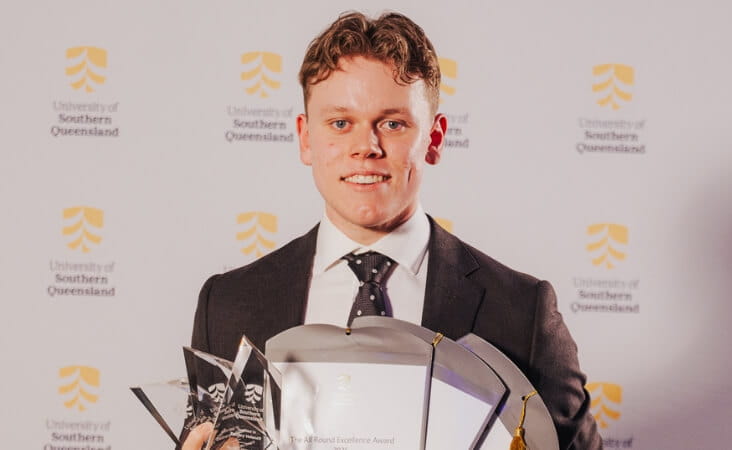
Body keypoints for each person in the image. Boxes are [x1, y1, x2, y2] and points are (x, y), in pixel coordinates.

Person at [182, 11, 602, 450]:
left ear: (434, 139)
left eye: (393, 123)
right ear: (306, 138)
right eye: (340, 123)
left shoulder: (523, 314)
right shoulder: (227, 305)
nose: (366, 146)